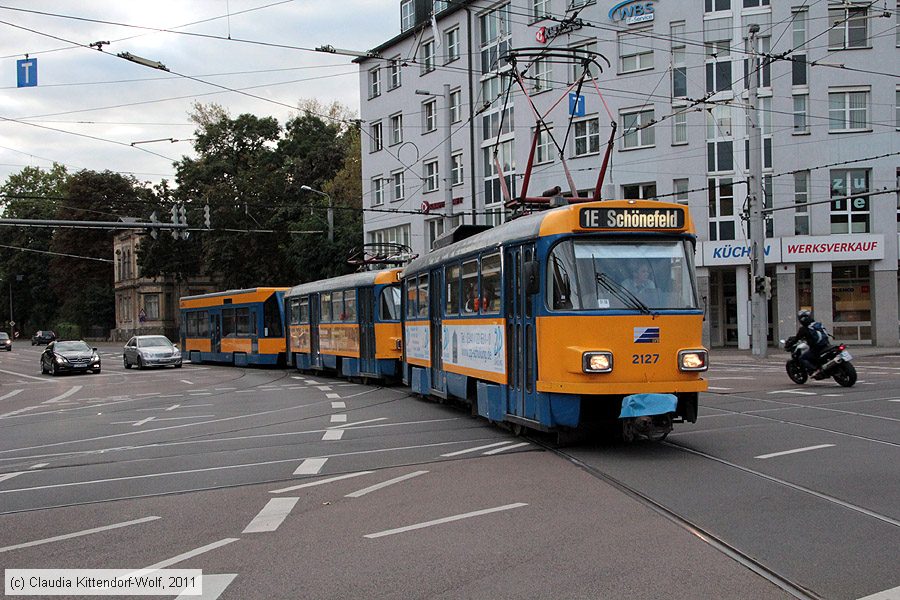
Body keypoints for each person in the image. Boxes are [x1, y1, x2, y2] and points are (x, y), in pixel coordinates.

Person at [788, 310, 830, 375]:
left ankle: (815, 370)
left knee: (802, 358)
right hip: (826, 345)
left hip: (817, 348)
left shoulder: (804, 329)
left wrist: (789, 345)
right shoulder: (817, 324)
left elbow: (796, 339)